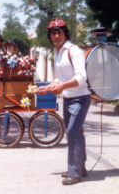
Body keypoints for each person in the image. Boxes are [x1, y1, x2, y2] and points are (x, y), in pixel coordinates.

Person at [37, 18, 91, 185]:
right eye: (53, 33)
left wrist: (62, 87)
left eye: (59, 32)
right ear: (50, 36)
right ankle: (80, 167)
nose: (56, 35)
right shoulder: (57, 51)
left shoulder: (73, 50)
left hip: (80, 98)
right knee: (75, 133)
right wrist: (48, 87)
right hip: (68, 98)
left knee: (73, 133)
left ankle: (74, 173)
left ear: (65, 34)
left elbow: (81, 77)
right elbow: (58, 79)